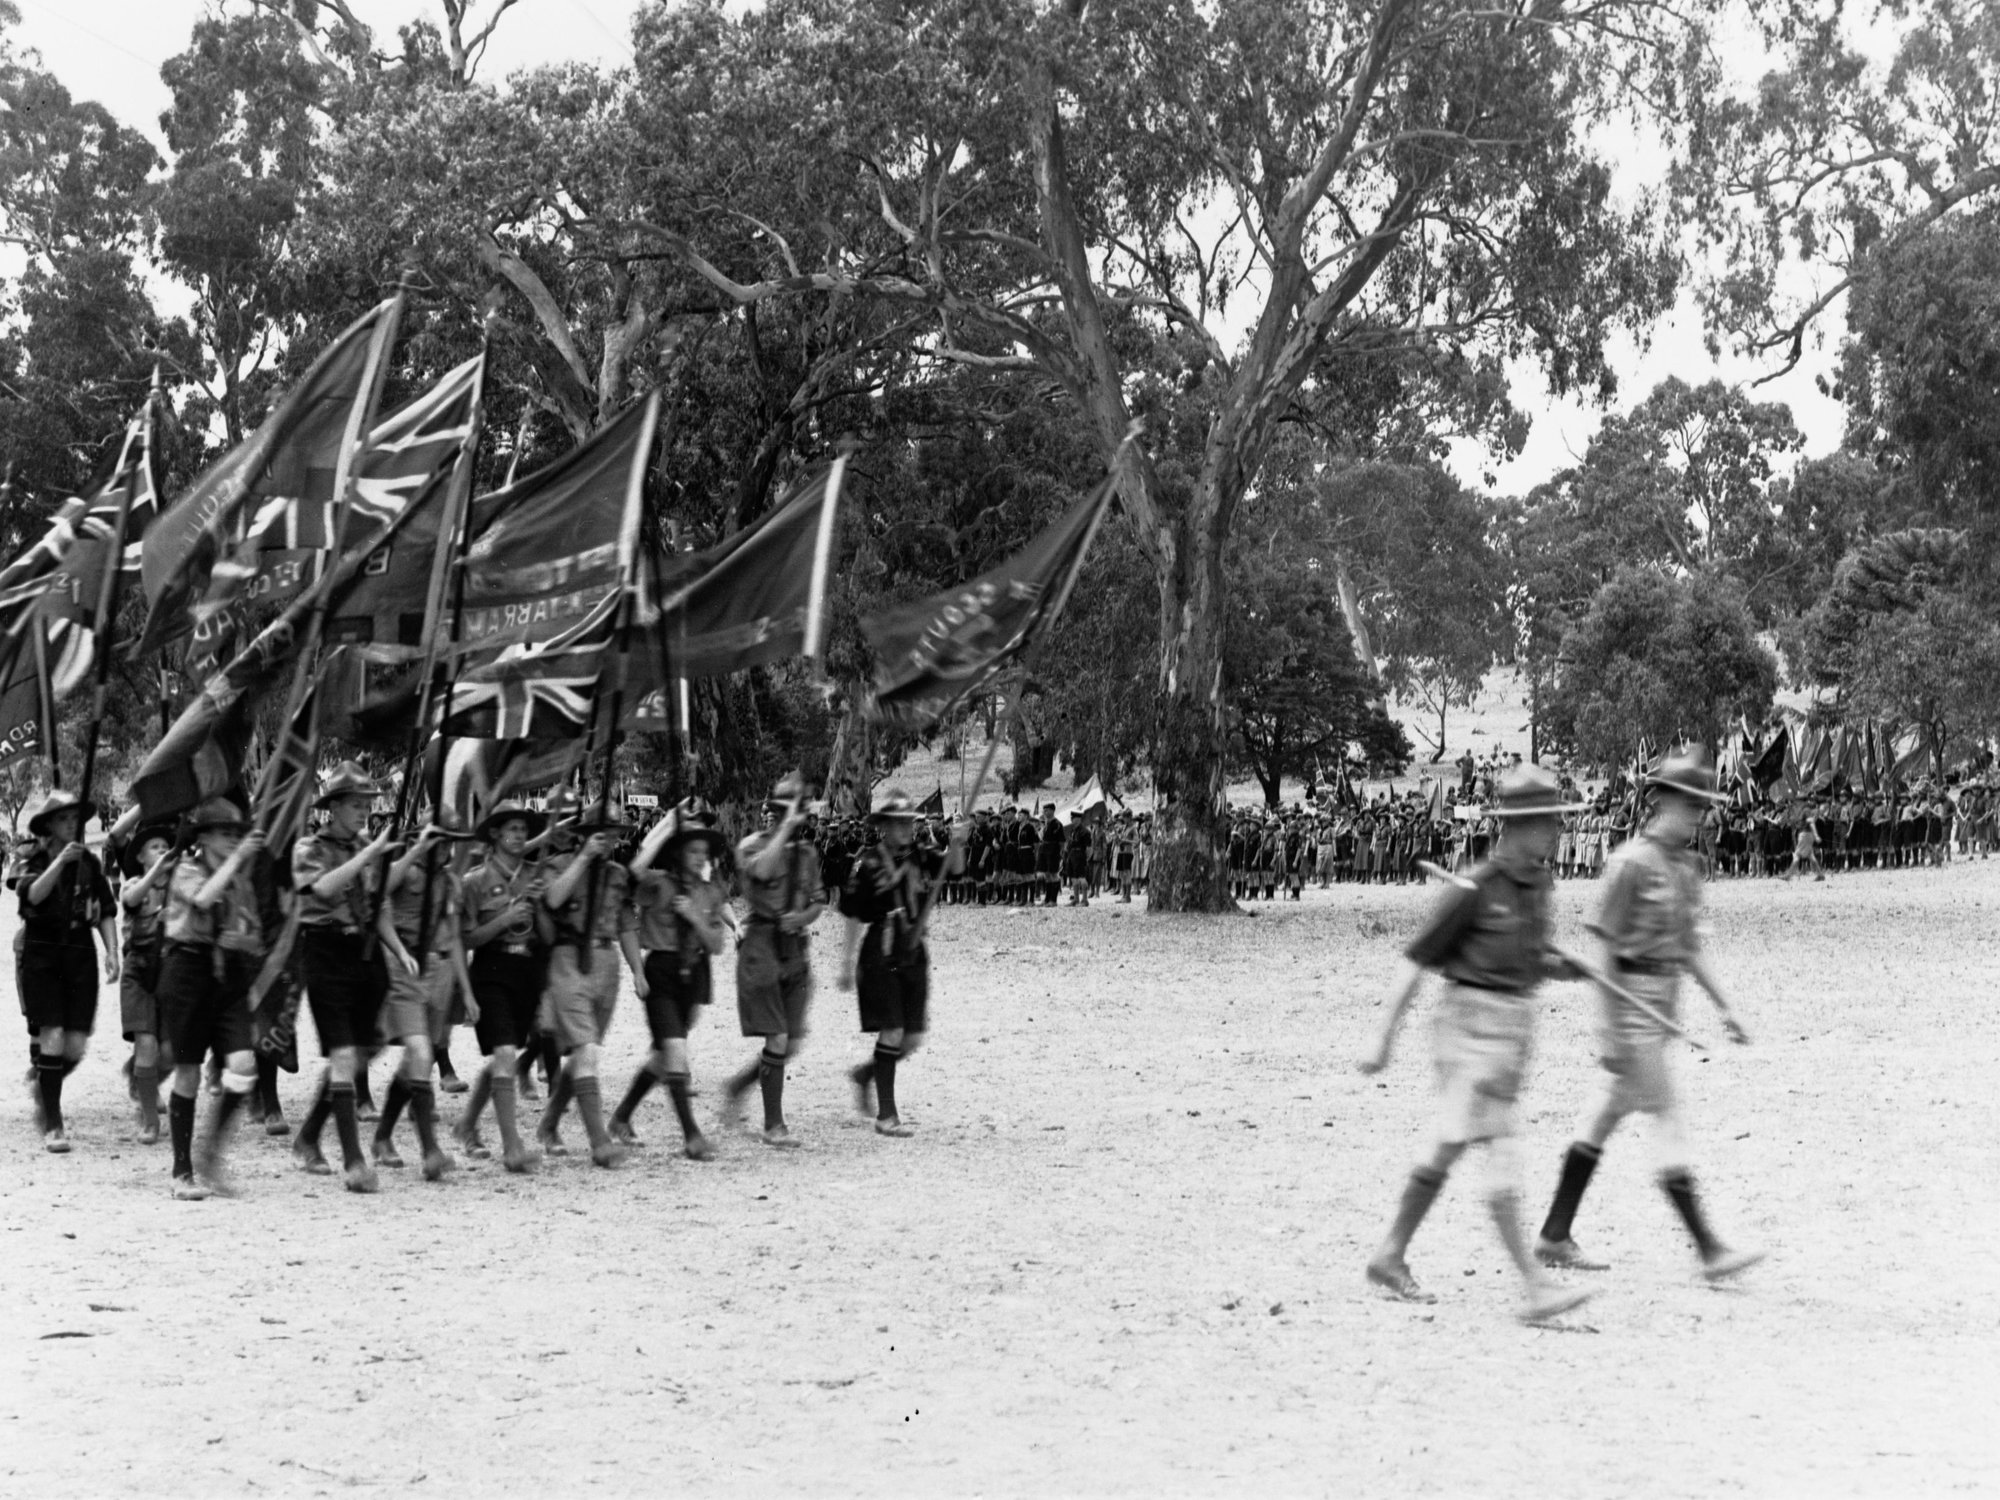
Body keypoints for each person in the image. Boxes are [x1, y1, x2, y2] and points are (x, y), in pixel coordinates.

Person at [1355, 764, 1596, 1325]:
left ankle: (1389, 1255)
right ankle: (1534, 1287)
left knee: (1447, 1143)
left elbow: (1531, 960)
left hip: (1512, 1030)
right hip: (1466, 1028)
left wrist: (1569, 967)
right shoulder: (1475, 887)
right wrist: (1382, 1038)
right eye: (1549, 822)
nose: (1557, 832)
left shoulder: (1538, 886)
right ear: (1520, 825)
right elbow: (1415, 963)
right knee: (1501, 1150)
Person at [1533, 746, 1763, 1284]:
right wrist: (1608, 1027)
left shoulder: (1687, 867)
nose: (1697, 815)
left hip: (1662, 1000)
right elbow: (1605, 947)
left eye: (1703, 806)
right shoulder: (1630, 862)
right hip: (1629, 1000)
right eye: (1689, 804)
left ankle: (1553, 1235)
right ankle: (1709, 1250)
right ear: (1663, 802)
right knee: (1667, 1117)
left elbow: (1688, 945)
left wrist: (1724, 1005)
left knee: (1604, 1114)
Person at [288, 763, 398, 1193]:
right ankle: (354, 1161)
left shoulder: (367, 845)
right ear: (331, 807)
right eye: (355, 804)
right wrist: (368, 855)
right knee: (344, 1056)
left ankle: (309, 1135)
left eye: (367, 804)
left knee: (367, 1047)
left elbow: (376, 900)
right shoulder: (308, 848)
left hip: (365, 951)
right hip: (325, 952)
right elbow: (323, 890)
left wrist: (398, 950)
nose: (363, 812)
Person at [837, 793, 967, 1136]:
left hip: (913, 949)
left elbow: (954, 869)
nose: (906, 828)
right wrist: (846, 963)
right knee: (892, 1030)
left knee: (911, 1038)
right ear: (883, 827)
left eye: (910, 821)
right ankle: (887, 1115)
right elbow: (851, 915)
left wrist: (958, 842)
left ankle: (866, 1074)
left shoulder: (922, 856)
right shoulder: (866, 862)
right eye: (898, 822)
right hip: (881, 950)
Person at [155, 799, 266, 1199]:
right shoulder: (185, 869)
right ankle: (181, 1172)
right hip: (187, 973)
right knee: (187, 1072)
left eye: (236, 834)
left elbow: (254, 934)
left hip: (227, 974)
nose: (231, 841)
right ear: (202, 837)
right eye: (223, 833)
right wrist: (238, 859)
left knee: (243, 1067)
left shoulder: (239, 879)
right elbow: (202, 900)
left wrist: (245, 940)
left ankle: (211, 1153)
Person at [611, 797, 728, 1159]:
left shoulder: (710, 892)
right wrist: (664, 829)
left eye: (703, 852)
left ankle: (621, 1117)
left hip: (692, 975)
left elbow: (717, 944)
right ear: (677, 854)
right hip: (660, 971)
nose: (699, 858)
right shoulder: (659, 884)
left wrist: (693, 915)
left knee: (664, 1055)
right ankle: (692, 1135)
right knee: (675, 1050)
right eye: (691, 851)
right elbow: (631, 878)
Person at [535, 801, 644, 1167]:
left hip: (606, 962)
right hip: (568, 958)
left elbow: (626, 923)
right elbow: (552, 899)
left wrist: (638, 971)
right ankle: (599, 1142)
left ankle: (549, 1124)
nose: (610, 840)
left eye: (614, 834)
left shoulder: (617, 873)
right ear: (584, 834)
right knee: (586, 1051)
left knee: (586, 1050)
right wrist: (583, 858)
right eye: (603, 833)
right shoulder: (561, 864)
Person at [722, 775, 827, 1147]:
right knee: (778, 1037)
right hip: (761, 947)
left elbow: (818, 900)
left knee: (791, 1041)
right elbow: (762, 872)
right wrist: (785, 829)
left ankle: (740, 1085)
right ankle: (773, 1125)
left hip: (795, 948)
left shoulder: (807, 854)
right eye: (778, 811)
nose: (777, 816)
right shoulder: (752, 846)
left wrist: (802, 918)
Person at [370, 822, 477, 1179]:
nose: (445, 848)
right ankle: (430, 1151)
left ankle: (383, 1136)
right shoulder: (407, 871)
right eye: (439, 840)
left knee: (420, 1057)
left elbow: (455, 937)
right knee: (418, 1053)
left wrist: (467, 989)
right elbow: (377, 891)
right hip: (405, 966)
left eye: (450, 842)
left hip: (438, 969)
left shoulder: (450, 883)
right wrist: (415, 850)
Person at [15, 789, 118, 1153]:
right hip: (43, 952)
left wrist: (112, 951)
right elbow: (31, 896)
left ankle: (44, 1082)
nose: (71, 824)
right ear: (49, 826)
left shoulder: (88, 863)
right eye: (63, 819)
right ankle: (53, 1122)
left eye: (75, 819)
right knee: (53, 1035)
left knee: (74, 1045)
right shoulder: (34, 858)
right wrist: (59, 864)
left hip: (79, 952)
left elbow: (105, 909)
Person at [454, 801, 550, 1172]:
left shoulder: (533, 876)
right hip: (491, 971)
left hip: (526, 972)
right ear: (494, 835)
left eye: (523, 830)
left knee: (502, 1058)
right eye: (511, 829)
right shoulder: (474, 882)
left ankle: (465, 1125)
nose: (519, 836)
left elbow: (547, 934)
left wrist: (542, 907)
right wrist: (506, 918)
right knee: (506, 1055)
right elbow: (467, 940)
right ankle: (512, 1147)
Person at [116, 820, 178, 1144]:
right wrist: (158, 874)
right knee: (147, 1044)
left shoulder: (180, 885)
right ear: (140, 857)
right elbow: (132, 900)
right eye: (155, 847)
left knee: (170, 1052)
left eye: (166, 847)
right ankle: (150, 1121)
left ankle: (142, 1082)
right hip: (138, 971)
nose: (163, 851)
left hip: (169, 971)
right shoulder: (135, 884)